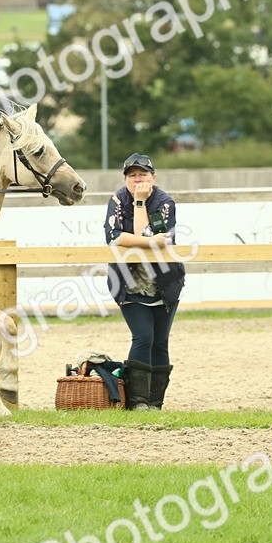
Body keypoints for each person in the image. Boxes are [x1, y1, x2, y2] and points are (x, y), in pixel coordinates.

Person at [103, 153, 186, 410]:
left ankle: (155, 402)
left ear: (153, 177)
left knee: (160, 341)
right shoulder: (118, 199)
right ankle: (137, 402)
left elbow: (154, 238)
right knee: (142, 337)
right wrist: (140, 209)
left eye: (143, 174)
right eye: (132, 175)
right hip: (129, 282)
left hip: (164, 283)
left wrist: (143, 237)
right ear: (125, 179)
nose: (137, 180)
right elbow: (114, 237)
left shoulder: (165, 202)